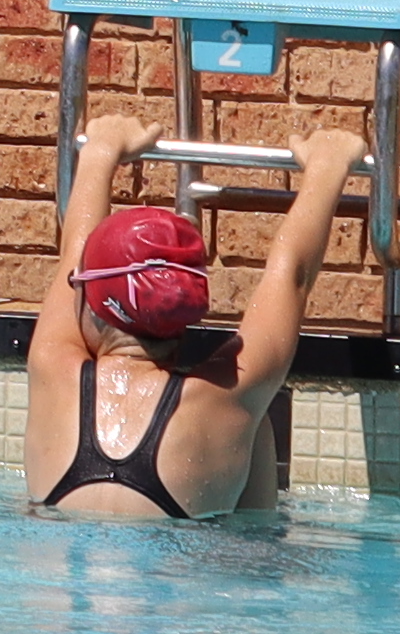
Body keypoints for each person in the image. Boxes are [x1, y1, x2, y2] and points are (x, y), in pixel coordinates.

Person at [26, 103, 357, 522]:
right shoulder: (224, 395)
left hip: (53, 578)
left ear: (91, 300)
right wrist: (328, 165)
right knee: (253, 422)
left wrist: (100, 151)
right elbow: (291, 273)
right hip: (188, 572)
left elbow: (72, 253)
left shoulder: (52, 367)